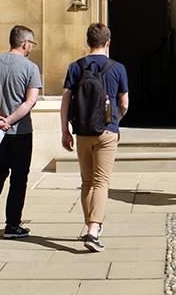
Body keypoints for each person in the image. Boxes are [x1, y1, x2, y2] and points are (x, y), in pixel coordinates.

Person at [60, 23, 129, 253]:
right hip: (107, 131)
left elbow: (66, 101)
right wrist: (115, 119)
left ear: (88, 41)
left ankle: (90, 225)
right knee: (101, 182)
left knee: (87, 182)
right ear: (108, 42)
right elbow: (125, 103)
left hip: (82, 132)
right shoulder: (117, 67)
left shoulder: (75, 67)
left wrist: (65, 131)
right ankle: (93, 230)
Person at [0, 25, 42, 239]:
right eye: (31, 44)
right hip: (20, 131)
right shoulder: (30, 68)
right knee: (19, 178)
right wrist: (9, 120)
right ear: (25, 43)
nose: (31, 47)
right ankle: (12, 225)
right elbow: (30, 101)